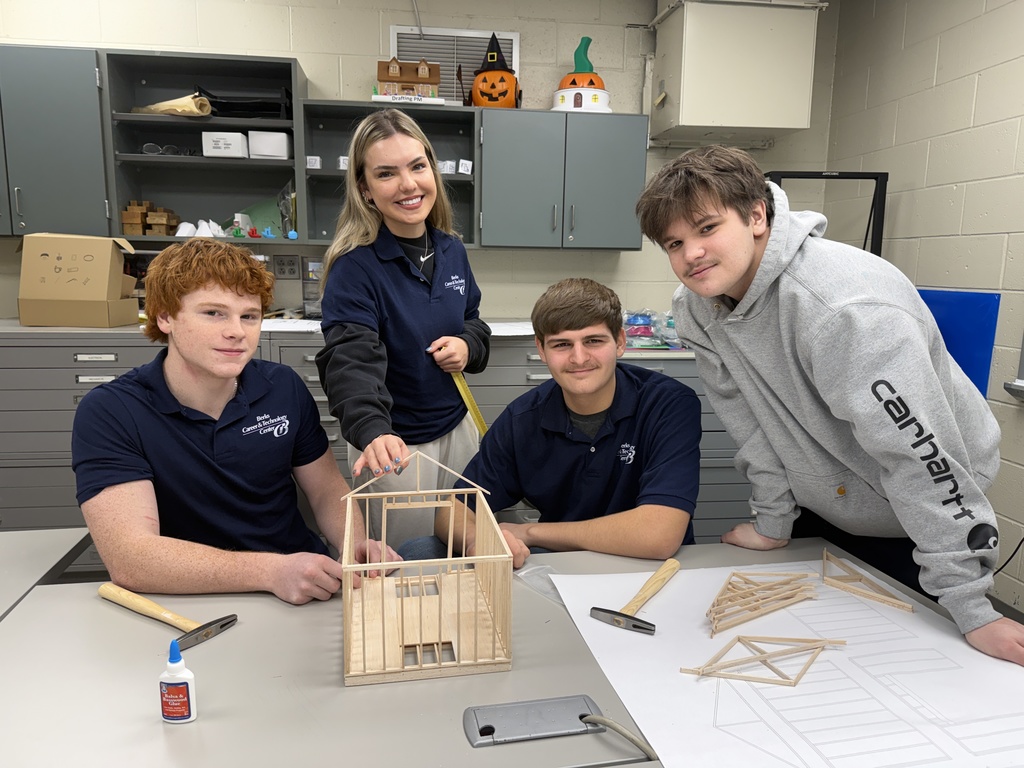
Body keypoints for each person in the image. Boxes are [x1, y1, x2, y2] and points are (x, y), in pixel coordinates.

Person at [635, 144, 1024, 666]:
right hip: (830, 506)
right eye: (674, 243)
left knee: (913, 678)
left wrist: (973, 607)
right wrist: (773, 523)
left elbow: (921, 458)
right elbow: (750, 425)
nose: (691, 255)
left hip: (919, 520)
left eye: (707, 229)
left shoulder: (844, 309)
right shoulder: (697, 309)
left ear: (756, 215)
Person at [72, 239, 396, 605]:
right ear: (165, 317)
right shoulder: (112, 411)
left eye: (249, 316)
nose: (237, 332)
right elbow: (132, 559)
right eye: (213, 313)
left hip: (301, 587)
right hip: (194, 597)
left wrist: (354, 546)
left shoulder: (282, 387)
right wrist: (271, 571)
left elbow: (324, 490)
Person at [402, 278, 702, 566]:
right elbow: (453, 508)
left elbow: (659, 535)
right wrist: (475, 540)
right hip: (564, 562)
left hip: (648, 564)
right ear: (541, 349)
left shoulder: (668, 405)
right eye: (561, 345)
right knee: (418, 550)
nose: (579, 358)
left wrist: (528, 533)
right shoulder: (523, 418)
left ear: (620, 342)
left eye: (593, 341)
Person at [315, 108, 490, 548]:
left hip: (458, 430)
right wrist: (373, 431)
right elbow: (349, 361)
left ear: (432, 169)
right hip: (395, 447)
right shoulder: (355, 268)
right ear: (365, 189)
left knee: (470, 552)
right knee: (408, 564)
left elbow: (475, 321)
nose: (409, 184)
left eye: (417, 166)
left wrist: (468, 345)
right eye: (387, 173)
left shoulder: (452, 250)